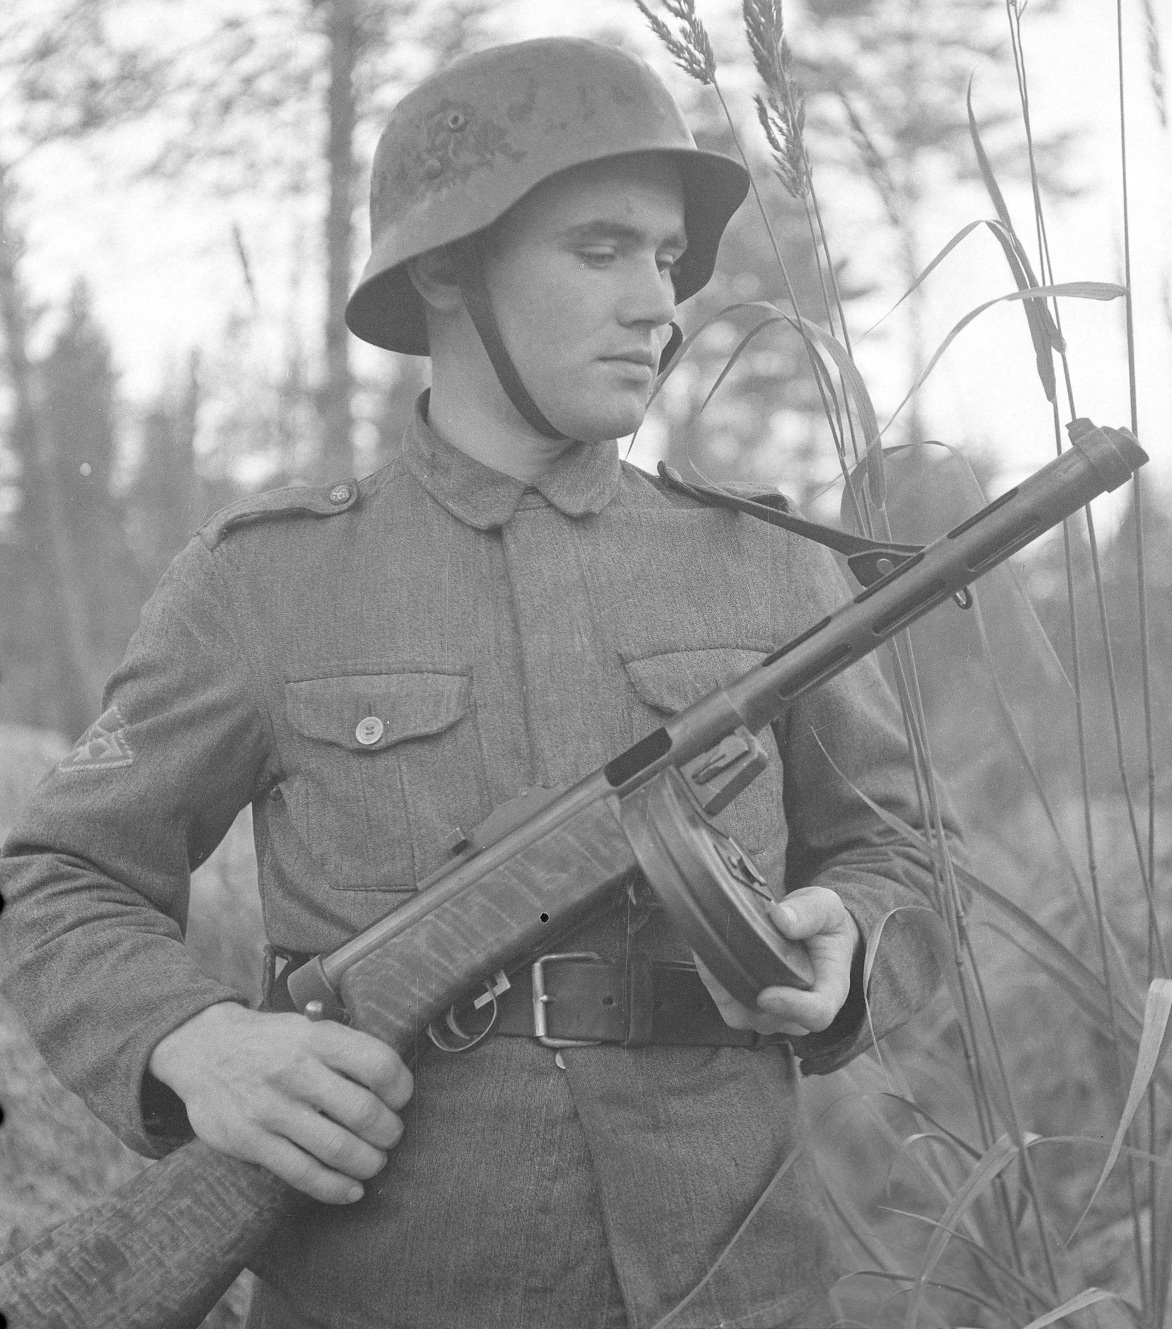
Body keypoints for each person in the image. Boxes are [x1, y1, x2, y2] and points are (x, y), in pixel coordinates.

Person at [0, 37, 957, 1329]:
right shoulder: (265, 583)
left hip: (737, 1281)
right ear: (447, 270)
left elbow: (900, 848)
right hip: (397, 1279)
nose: (658, 305)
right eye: (601, 249)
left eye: (668, 259)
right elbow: (61, 873)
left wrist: (855, 942)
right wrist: (192, 1041)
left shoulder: (764, 569)